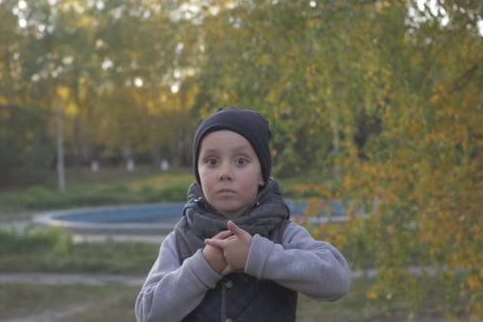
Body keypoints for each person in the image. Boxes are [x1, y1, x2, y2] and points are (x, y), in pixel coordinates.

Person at [135, 107, 350, 322]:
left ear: (262, 176)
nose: (225, 173)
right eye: (211, 161)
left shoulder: (281, 233)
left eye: (240, 161)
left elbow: (337, 280)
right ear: (198, 174)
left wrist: (256, 256)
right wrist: (204, 266)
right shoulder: (180, 239)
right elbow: (148, 314)